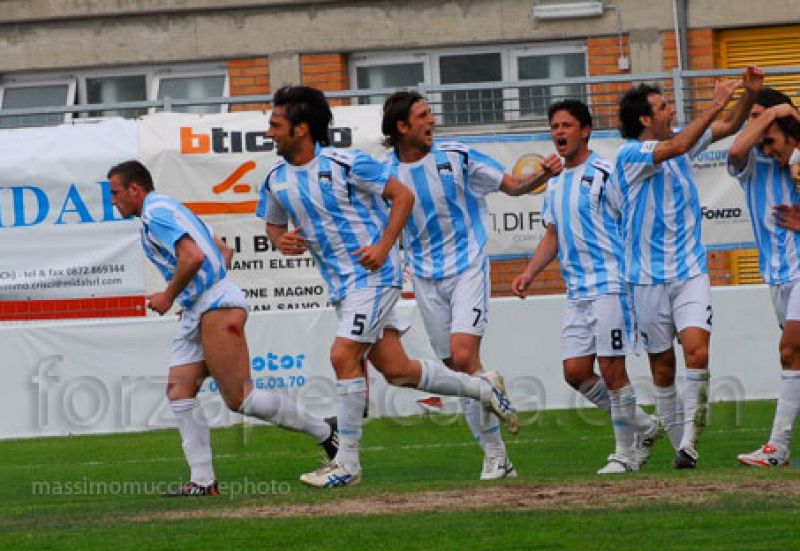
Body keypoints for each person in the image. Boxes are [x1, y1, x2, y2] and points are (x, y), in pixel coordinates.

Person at [257, 85, 517, 489]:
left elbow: (402, 195)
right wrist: (280, 239)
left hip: (375, 277)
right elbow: (273, 224)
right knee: (397, 371)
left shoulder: (346, 164)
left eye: (275, 125)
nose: (269, 133)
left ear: (302, 128)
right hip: (344, 288)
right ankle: (481, 388)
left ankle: (347, 463)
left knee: (343, 355)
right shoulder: (276, 180)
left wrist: (381, 247)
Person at [107, 160, 338, 496]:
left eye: (115, 193)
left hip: (215, 306)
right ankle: (203, 481)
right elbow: (224, 251)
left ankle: (323, 430)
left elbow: (194, 258)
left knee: (240, 398)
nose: (113, 200)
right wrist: (192, 294)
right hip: (205, 304)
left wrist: (170, 295)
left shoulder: (155, 214)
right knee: (179, 391)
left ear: (134, 189)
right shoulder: (171, 208)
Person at [379, 90, 561, 480]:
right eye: (423, 115)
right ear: (402, 126)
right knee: (457, 373)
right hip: (425, 276)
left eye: (431, 114)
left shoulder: (456, 156)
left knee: (463, 358)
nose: (432, 121)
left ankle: (494, 455)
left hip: (467, 266)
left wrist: (542, 174)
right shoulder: (383, 173)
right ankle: (500, 457)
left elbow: (511, 186)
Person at [609, 66, 763, 469]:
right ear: (645, 119)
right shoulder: (631, 155)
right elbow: (677, 146)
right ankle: (681, 445)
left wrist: (747, 93)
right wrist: (714, 102)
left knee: (697, 350)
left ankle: (690, 443)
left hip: (689, 269)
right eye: (663, 107)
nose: (670, 110)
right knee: (662, 364)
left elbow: (728, 124)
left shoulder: (679, 146)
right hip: (644, 278)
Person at [511, 99, 661, 474]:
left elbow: (631, 219)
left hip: (611, 284)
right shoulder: (555, 179)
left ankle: (625, 453)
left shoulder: (607, 173)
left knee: (612, 369)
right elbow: (553, 233)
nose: (559, 132)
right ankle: (643, 425)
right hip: (576, 290)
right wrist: (529, 273)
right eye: (554, 126)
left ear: (585, 130)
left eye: (566, 125)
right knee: (575, 372)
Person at [727, 90, 800, 467]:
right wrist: (773, 111)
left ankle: (776, 448)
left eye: (766, 129)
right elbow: (736, 149)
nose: (760, 140)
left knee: (790, 352)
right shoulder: (753, 162)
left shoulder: (796, 156)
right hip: (777, 277)